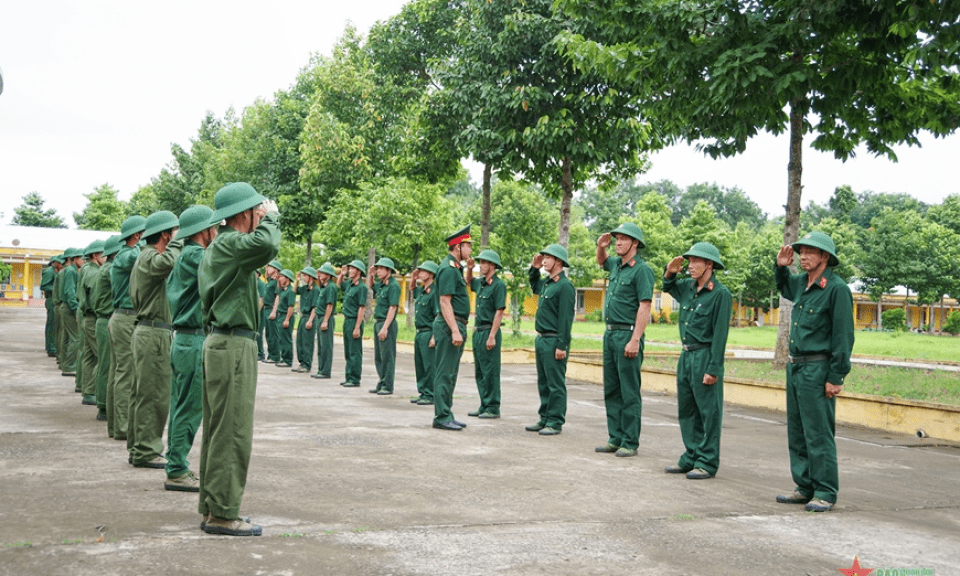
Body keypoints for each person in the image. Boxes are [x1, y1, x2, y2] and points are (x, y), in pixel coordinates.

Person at [197, 182, 280, 536]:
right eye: (255, 211)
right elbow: (268, 244)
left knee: (219, 429)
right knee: (232, 431)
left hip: (223, 342)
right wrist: (273, 217)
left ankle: (213, 505)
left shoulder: (222, 247)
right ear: (245, 214)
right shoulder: (231, 242)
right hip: (232, 345)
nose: (258, 216)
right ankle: (223, 513)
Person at [775, 231, 854, 513]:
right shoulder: (802, 283)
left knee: (818, 432)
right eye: (801, 251)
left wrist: (836, 376)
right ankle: (804, 485)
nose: (803, 256)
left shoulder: (836, 289)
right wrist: (781, 268)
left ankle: (825, 491)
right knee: (797, 431)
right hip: (796, 366)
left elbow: (843, 337)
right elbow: (785, 287)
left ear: (825, 257)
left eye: (810, 251)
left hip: (818, 368)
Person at [663, 242, 731, 478]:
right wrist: (671, 271)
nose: (690, 266)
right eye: (689, 261)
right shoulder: (687, 288)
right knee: (687, 409)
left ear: (709, 264)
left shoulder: (720, 294)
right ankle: (691, 456)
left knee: (708, 412)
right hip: (686, 354)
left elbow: (720, 335)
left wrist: (714, 368)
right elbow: (667, 285)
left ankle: (707, 461)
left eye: (696, 262)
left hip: (704, 355)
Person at [164, 205, 218, 493]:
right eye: (214, 227)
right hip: (193, 339)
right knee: (190, 407)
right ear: (202, 231)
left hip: (184, 339)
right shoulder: (197, 256)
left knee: (180, 404)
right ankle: (176, 468)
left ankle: (176, 463)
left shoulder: (185, 256)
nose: (217, 232)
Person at [128, 210, 183, 469]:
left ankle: (139, 447)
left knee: (144, 393)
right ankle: (146, 450)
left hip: (150, 331)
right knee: (154, 395)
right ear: (164, 234)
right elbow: (168, 263)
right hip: (153, 333)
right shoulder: (151, 257)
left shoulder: (145, 256)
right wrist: (180, 241)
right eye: (173, 232)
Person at [594, 223, 654, 457]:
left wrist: (635, 339)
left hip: (628, 334)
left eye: (623, 239)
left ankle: (629, 441)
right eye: (616, 238)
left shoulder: (641, 270)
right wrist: (601, 246)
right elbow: (602, 261)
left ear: (635, 243)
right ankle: (615, 437)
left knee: (629, 390)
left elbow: (645, 305)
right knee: (612, 389)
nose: (618, 242)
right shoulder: (617, 266)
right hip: (610, 333)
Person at [525, 244, 576, 436]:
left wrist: (562, 345)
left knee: (555, 383)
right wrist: (534, 268)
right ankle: (545, 417)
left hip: (555, 340)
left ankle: (555, 421)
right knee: (544, 381)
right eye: (544, 257)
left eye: (548, 257)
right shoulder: (548, 283)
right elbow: (534, 284)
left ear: (559, 261)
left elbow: (565, 319)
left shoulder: (565, 286)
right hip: (542, 339)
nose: (544, 260)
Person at [109, 215, 146, 443]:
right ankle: (122, 426)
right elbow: (147, 257)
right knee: (126, 373)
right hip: (125, 318)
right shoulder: (128, 255)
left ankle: (117, 425)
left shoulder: (125, 254)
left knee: (120, 372)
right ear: (137, 235)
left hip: (123, 318)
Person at [432, 225, 472, 431]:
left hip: (455, 324)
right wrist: (455, 329)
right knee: (444, 373)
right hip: (450, 326)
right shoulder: (448, 268)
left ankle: (447, 413)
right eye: (468, 245)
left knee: (451, 373)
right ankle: (441, 416)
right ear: (458, 247)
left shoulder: (456, 268)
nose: (470, 250)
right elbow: (445, 302)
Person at [466, 250, 506, 419]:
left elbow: (499, 312)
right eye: (480, 262)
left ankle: (493, 406)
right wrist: (469, 269)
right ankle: (484, 404)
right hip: (478, 331)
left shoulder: (498, 285)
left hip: (490, 331)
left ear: (492, 265)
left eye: (484, 262)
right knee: (480, 371)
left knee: (491, 371)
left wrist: (492, 335)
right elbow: (469, 282)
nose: (481, 265)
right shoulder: (482, 283)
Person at [93, 236, 121, 426]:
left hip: (104, 320)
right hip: (106, 319)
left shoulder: (105, 268)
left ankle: (105, 405)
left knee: (108, 364)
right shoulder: (111, 269)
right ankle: (103, 405)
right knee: (107, 365)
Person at [78, 240, 106, 407]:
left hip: (86, 316)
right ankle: (97, 394)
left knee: (89, 357)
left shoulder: (85, 269)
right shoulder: (94, 273)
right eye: (104, 253)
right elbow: (97, 300)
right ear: (96, 255)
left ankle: (88, 392)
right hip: (94, 317)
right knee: (102, 357)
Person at [369, 257, 400, 395]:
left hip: (387, 323)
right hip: (379, 322)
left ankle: (388, 385)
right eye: (378, 269)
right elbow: (371, 286)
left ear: (389, 270)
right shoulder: (382, 284)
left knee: (387, 356)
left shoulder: (393, 286)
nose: (378, 271)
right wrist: (370, 275)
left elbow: (393, 308)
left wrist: (385, 327)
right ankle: (381, 382)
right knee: (379, 356)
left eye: (381, 269)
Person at [410, 261, 438, 405]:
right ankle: (423, 392)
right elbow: (412, 289)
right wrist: (414, 278)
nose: (420, 272)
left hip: (428, 332)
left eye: (423, 271)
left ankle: (430, 394)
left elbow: (437, 316)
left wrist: (434, 336)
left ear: (431, 274)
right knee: (420, 365)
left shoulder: (434, 293)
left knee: (429, 366)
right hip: (419, 332)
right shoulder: (422, 291)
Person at [338, 260, 368, 388]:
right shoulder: (350, 284)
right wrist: (342, 274)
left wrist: (357, 327)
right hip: (347, 320)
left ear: (359, 271)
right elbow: (339, 284)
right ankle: (348, 376)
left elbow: (362, 308)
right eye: (349, 268)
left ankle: (355, 378)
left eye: (352, 269)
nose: (350, 271)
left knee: (354, 351)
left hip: (354, 320)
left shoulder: (361, 288)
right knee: (348, 350)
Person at [310, 263, 338, 380]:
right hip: (320, 317)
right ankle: (321, 369)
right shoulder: (324, 286)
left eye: (321, 273)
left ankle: (325, 371)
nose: (319, 274)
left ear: (328, 275)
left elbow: (330, 305)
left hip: (325, 318)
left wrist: (325, 320)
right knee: (321, 346)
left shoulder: (331, 287)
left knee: (326, 346)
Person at [59, 248, 82, 378]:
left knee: (69, 338)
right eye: (81, 258)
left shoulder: (72, 271)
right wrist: (75, 309)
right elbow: (70, 292)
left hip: (67, 306)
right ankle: (70, 366)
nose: (83, 261)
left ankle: (67, 364)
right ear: (74, 259)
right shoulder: (70, 271)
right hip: (69, 307)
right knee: (75, 338)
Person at [293, 267, 318, 373]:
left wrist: (310, 320)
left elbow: (315, 307)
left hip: (309, 317)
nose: (303, 277)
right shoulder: (304, 288)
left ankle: (307, 365)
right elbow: (294, 291)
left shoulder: (316, 290)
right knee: (300, 341)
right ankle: (301, 363)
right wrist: (297, 280)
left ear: (310, 277)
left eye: (305, 275)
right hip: (303, 317)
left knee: (307, 342)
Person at [272, 269, 296, 368]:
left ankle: (287, 360)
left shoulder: (290, 291)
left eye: (282, 277)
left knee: (286, 339)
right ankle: (283, 357)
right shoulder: (282, 289)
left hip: (286, 316)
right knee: (281, 338)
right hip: (280, 315)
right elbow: (277, 293)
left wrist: (287, 319)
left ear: (287, 278)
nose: (280, 279)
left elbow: (291, 306)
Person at [262, 260, 282, 364]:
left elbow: (277, 297)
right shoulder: (270, 281)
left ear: (275, 269)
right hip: (266, 309)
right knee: (269, 334)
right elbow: (266, 275)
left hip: (271, 308)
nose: (267, 269)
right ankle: (270, 355)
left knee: (273, 334)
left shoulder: (276, 282)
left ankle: (275, 356)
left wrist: (274, 311)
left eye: (270, 267)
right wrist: (266, 269)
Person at [41, 257, 59, 357]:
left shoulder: (55, 271)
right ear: (55, 263)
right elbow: (43, 286)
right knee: (52, 325)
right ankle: (51, 348)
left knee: (54, 325)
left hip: (54, 299)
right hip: (51, 298)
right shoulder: (49, 271)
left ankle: (52, 346)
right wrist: (57, 288)